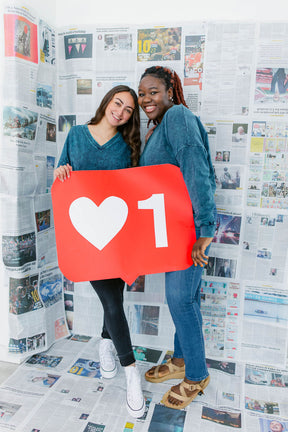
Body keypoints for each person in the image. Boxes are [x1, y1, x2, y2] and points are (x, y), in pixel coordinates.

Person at [53, 85, 145, 418]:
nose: (120, 111)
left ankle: (106, 342)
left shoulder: (127, 146)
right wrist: (61, 171)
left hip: (117, 234)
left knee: (114, 300)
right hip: (85, 234)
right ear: (107, 102)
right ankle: (131, 370)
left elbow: (135, 190)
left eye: (128, 110)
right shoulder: (77, 134)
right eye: (117, 103)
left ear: (130, 118)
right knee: (110, 300)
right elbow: (62, 173)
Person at [138, 66, 216, 410]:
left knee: (181, 300)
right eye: (142, 94)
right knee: (185, 299)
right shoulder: (157, 129)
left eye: (153, 91)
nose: (145, 100)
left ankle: (196, 375)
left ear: (171, 90)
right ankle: (182, 361)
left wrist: (206, 230)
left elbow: (196, 167)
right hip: (170, 232)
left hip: (189, 229)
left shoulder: (179, 116)